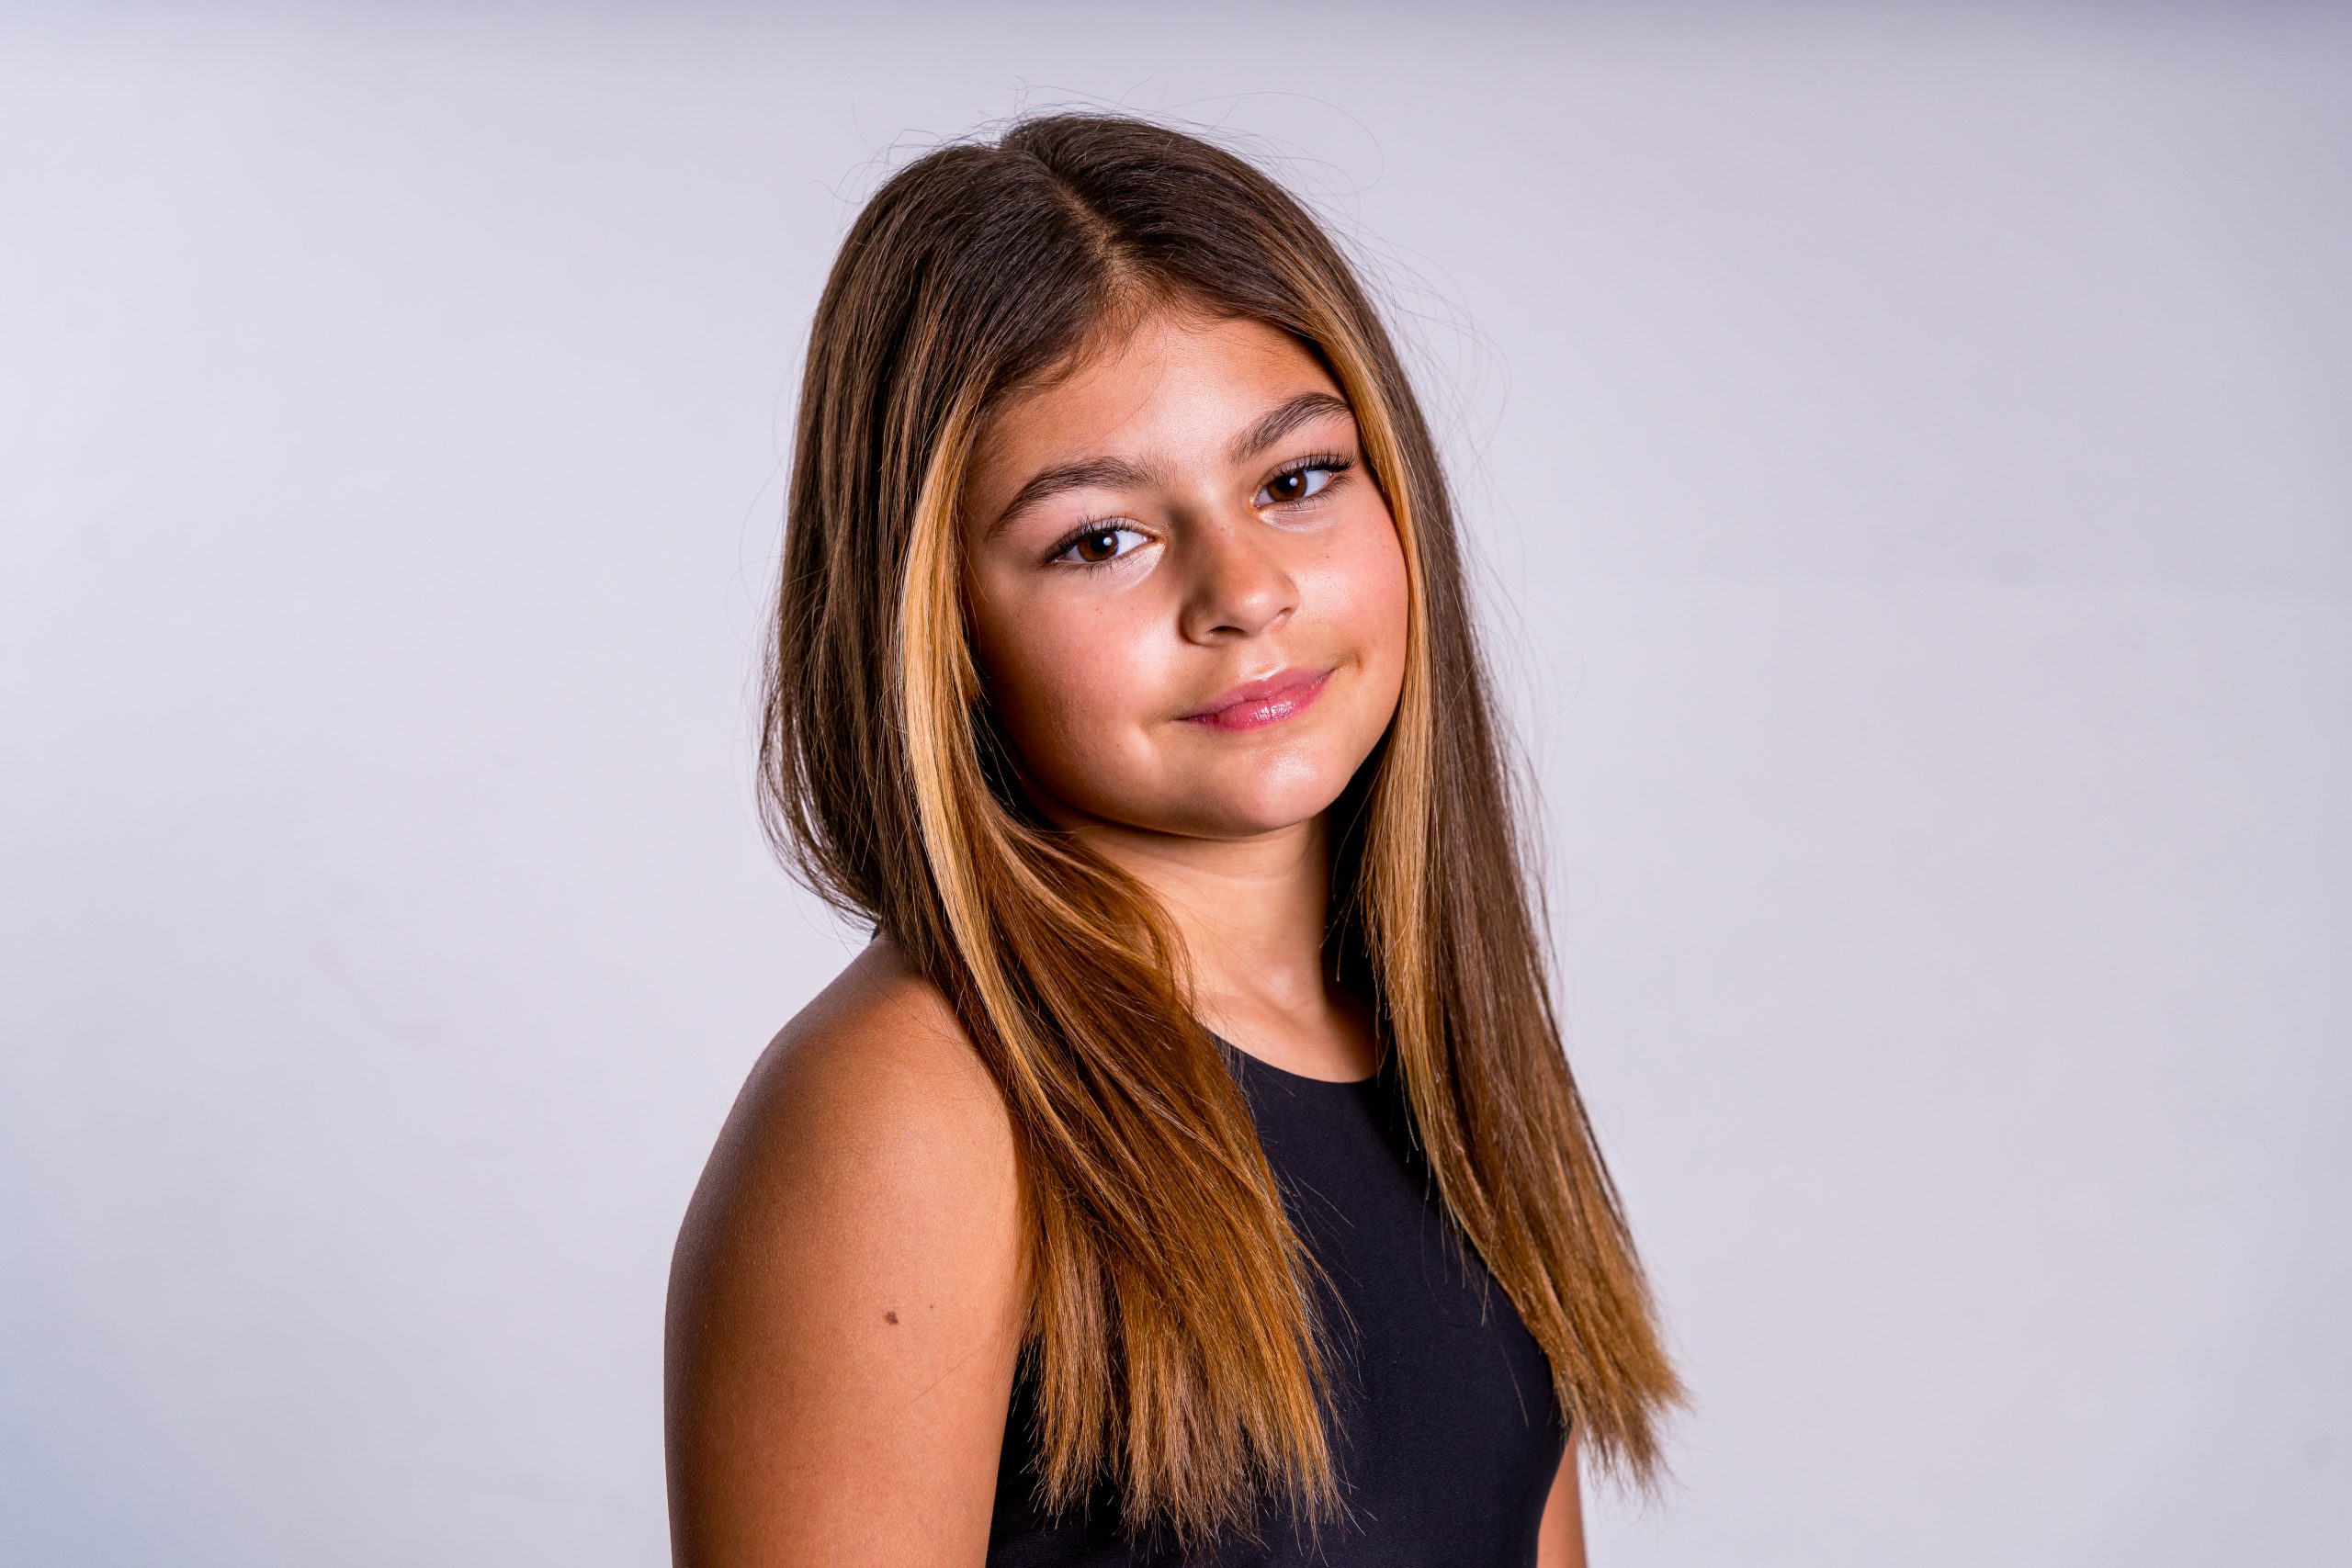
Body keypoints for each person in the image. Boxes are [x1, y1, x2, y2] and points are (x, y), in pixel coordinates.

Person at [663, 110, 1685, 1567]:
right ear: (938, 629)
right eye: (1102, 540)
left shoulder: (1434, 1040)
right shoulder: (910, 1114)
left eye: (1297, 479)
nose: (1245, 591)